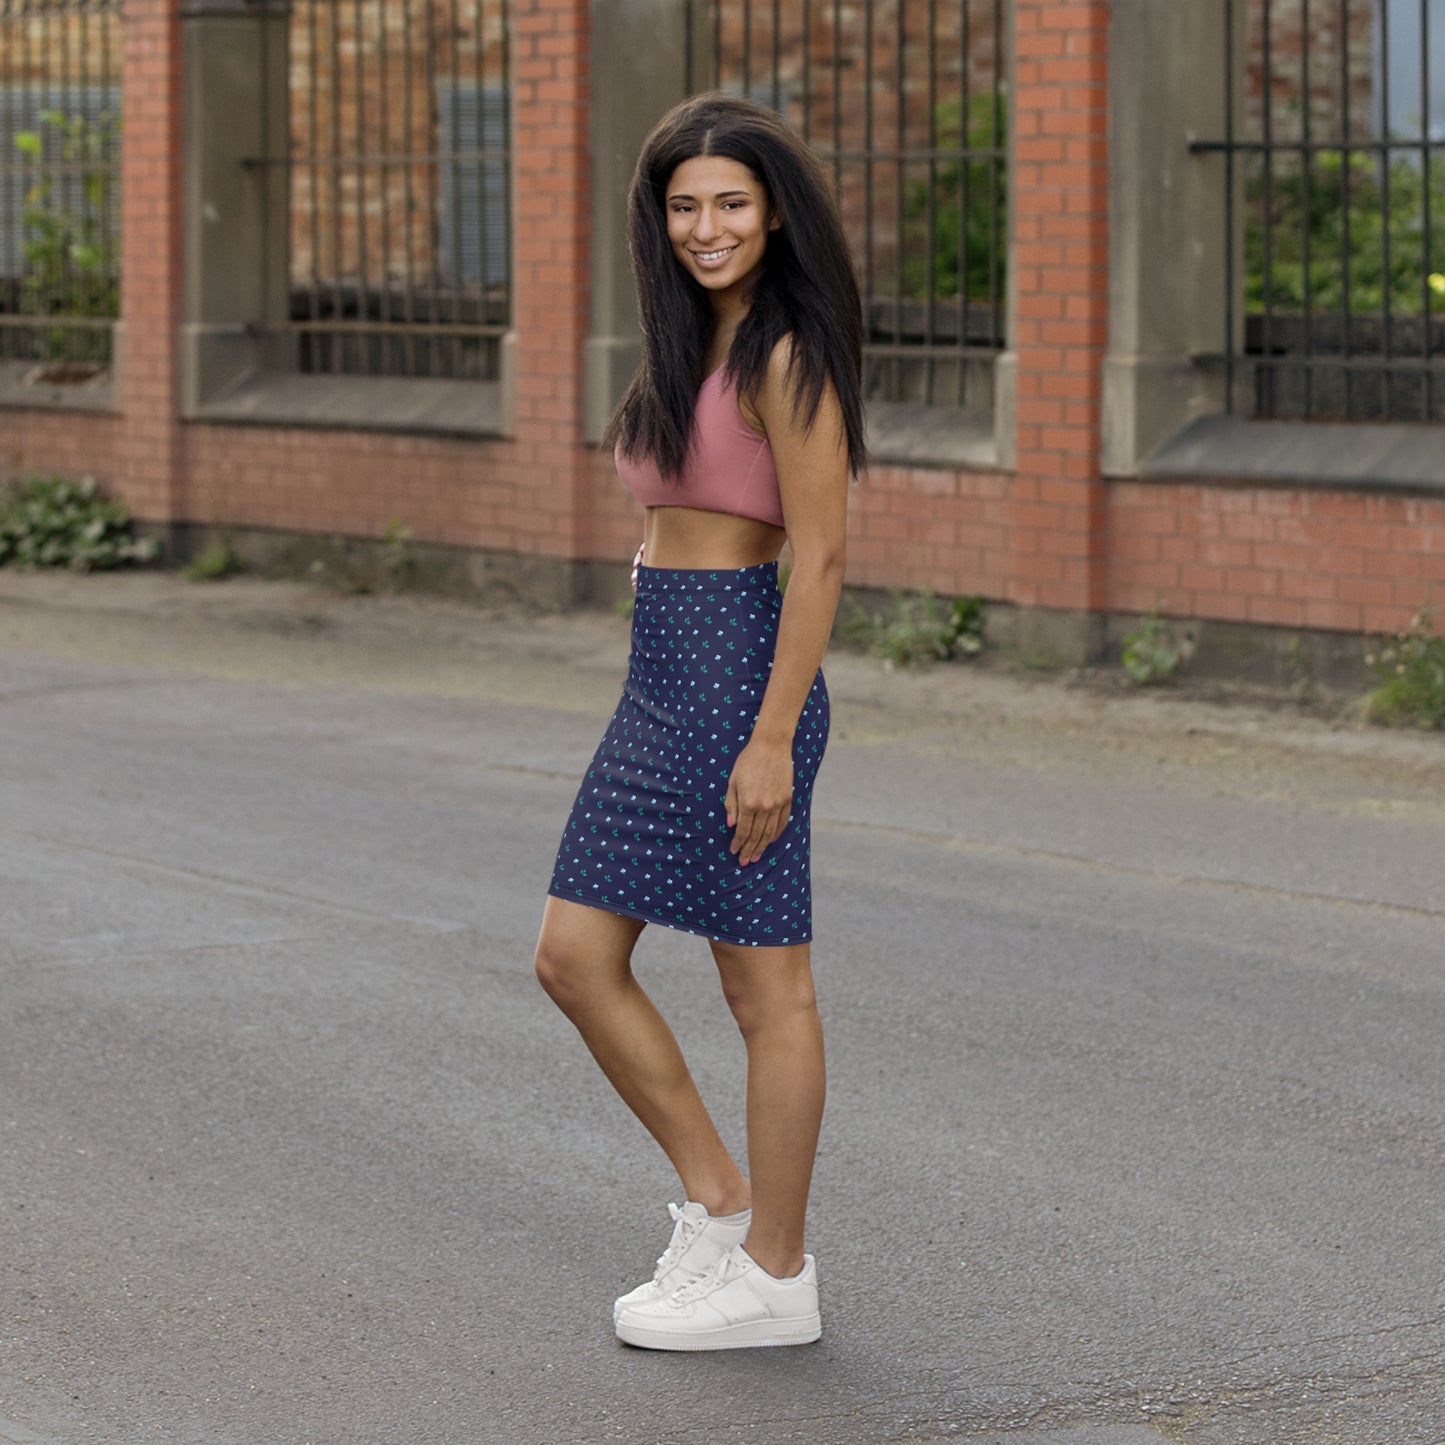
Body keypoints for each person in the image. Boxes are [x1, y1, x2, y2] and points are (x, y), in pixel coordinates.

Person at [533, 92, 865, 1352]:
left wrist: (773, 731)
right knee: (571, 954)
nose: (706, 226)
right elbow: (667, 508)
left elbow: (822, 557)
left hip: (740, 679)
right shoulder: (687, 348)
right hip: (659, 675)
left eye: (729, 202)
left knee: (763, 985)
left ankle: (776, 1272)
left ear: (773, 210)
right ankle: (717, 1203)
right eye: (683, 206)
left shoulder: (787, 352)